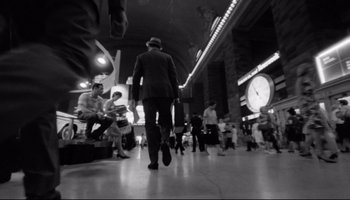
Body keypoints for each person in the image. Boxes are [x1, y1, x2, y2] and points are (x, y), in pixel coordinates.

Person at [0, 0, 127, 199]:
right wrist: (117, 8)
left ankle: (43, 190)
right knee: (69, 55)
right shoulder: (88, 96)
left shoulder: (101, 100)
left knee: (40, 100)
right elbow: (83, 109)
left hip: (21, 10)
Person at [131, 37, 179, 170]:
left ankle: (154, 161)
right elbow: (174, 78)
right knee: (165, 121)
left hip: (149, 94)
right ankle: (164, 140)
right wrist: (176, 96)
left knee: (150, 125)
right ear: (160, 47)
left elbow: (136, 78)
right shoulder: (167, 57)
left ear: (149, 46)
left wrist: (134, 97)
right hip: (166, 93)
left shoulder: (141, 57)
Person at [296, 63, 338, 163]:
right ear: (305, 70)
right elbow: (301, 96)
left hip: (313, 106)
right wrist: (306, 108)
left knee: (317, 130)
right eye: (310, 68)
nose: (312, 69)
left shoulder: (307, 80)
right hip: (310, 107)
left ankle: (315, 151)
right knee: (316, 129)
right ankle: (320, 153)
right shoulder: (301, 81)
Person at [104, 91, 129, 159]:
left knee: (113, 135)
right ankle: (120, 152)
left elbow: (112, 111)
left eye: (119, 97)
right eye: (117, 96)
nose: (118, 98)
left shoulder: (113, 103)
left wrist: (119, 112)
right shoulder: (109, 101)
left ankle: (119, 152)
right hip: (110, 121)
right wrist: (115, 110)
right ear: (114, 95)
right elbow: (105, 112)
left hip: (113, 121)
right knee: (117, 134)